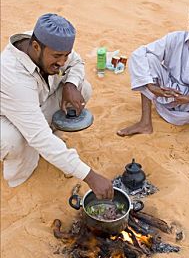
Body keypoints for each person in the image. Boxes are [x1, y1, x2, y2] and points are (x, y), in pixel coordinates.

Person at [1, 13, 113, 199]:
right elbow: (39, 136)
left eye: (65, 55)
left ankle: (53, 149)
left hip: (33, 105)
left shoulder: (50, 44)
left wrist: (70, 84)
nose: (62, 62)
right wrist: (90, 177)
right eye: (57, 56)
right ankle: (23, 169)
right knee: (13, 140)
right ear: (36, 47)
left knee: (82, 89)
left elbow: (76, 62)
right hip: (5, 117)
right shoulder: (12, 76)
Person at [117, 2, 189, 166]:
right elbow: (140, 54)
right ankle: (145, 122)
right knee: (146, 56)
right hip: (167, 94)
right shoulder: (175, 38)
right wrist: (152, 87)